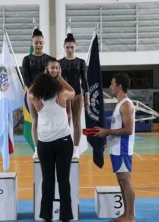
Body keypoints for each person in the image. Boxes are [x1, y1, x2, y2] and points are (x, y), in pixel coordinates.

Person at [28, 59, 75, 222]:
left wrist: (43, 75)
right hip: (63, 142)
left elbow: (30, 91)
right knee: (63, 180)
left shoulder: (36, 98)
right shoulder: (61, 94)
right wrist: (60, 77)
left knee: (47, 181)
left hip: (44, 144)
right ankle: (66, 216)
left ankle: (46, 216)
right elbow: (73, 92)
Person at [94, 73, 136, 222]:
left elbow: (128, 130)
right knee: (121, 181)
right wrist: (106, 134)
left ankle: (130, 216)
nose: (110, 87)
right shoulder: (119, 104)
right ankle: (125, 213)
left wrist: (107, 132)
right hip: (116, 149)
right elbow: (118, 127)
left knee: (126, 181)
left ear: (119, 86)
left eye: (112, 84)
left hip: (123, 150)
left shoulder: (126, 105)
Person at [22, 28, 54, 158]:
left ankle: (49, 145)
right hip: (33, 93)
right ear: (32, 43)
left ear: (44, 43)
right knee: (35, 119)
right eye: (36, 43)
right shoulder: (27, 59)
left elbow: (52, 76)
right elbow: (26, 78)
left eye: (41, 43)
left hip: (47, 93)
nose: (39, 45)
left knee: (47, 120)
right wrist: (34, 92)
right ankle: (36, 148)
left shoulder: (49, 59)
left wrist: (46, 91)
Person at [59, 33, 90, 158]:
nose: (70, 50)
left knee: (77, 122)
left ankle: (76, 149)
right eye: (67, 47)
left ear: (75, 47)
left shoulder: (81, 62)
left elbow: (85, 80)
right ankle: (65, 146)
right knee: (66, 121)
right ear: (64, 47)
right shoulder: (60, 62)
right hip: (64, 95)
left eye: (72, 47)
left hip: (77, 95)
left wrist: (87, 97)